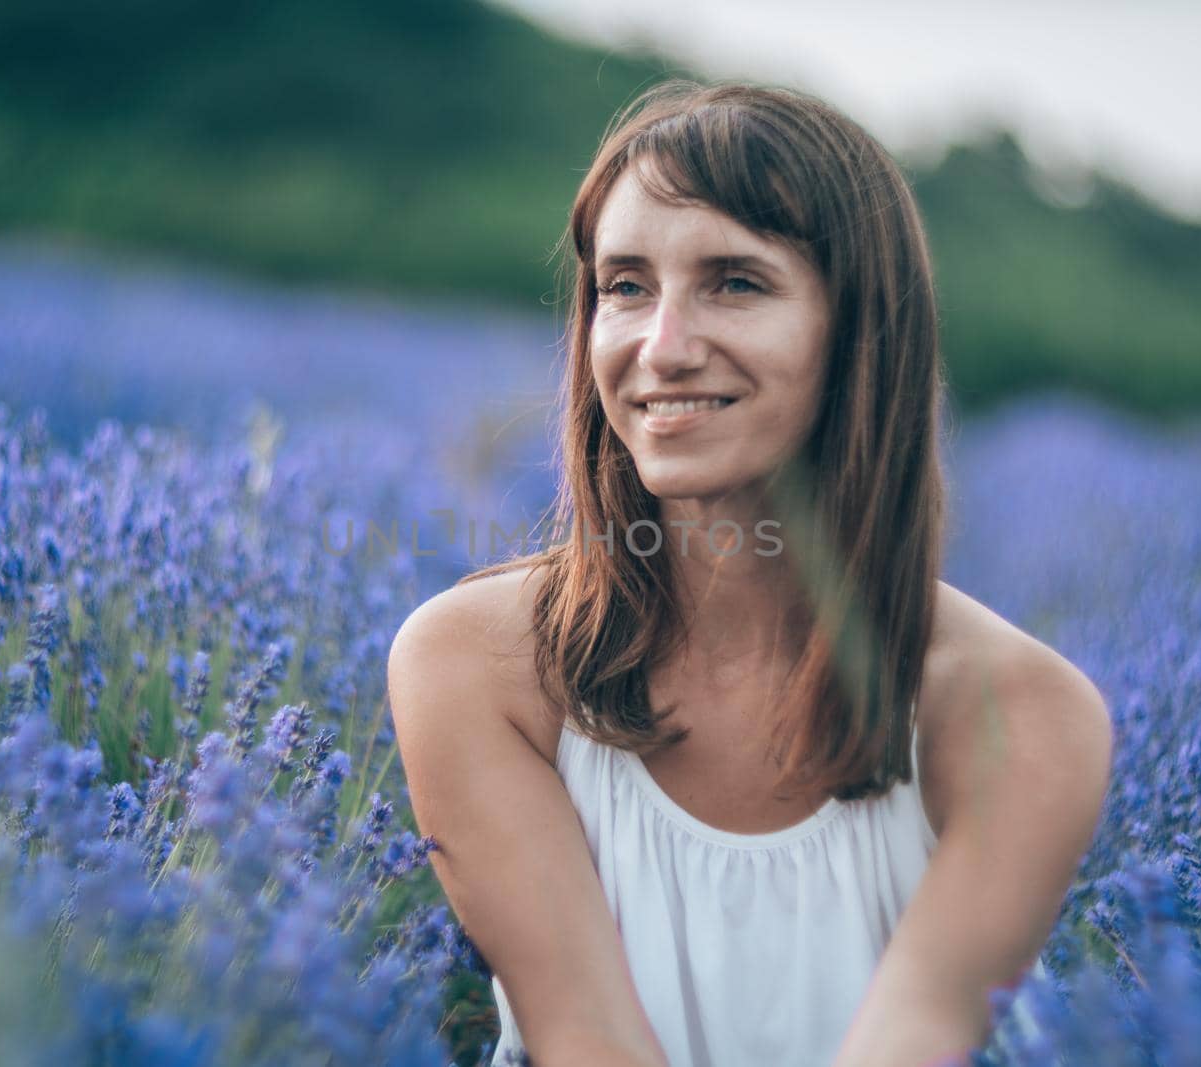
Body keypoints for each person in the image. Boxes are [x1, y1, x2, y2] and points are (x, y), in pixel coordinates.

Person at [387, 79, 1113, 1067]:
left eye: (735, 281)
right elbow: (584, 1039)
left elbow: (913, 1043)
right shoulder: (480, 662)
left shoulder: (1017, 712)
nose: (663, 347)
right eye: (626, 286)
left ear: (857, 333)